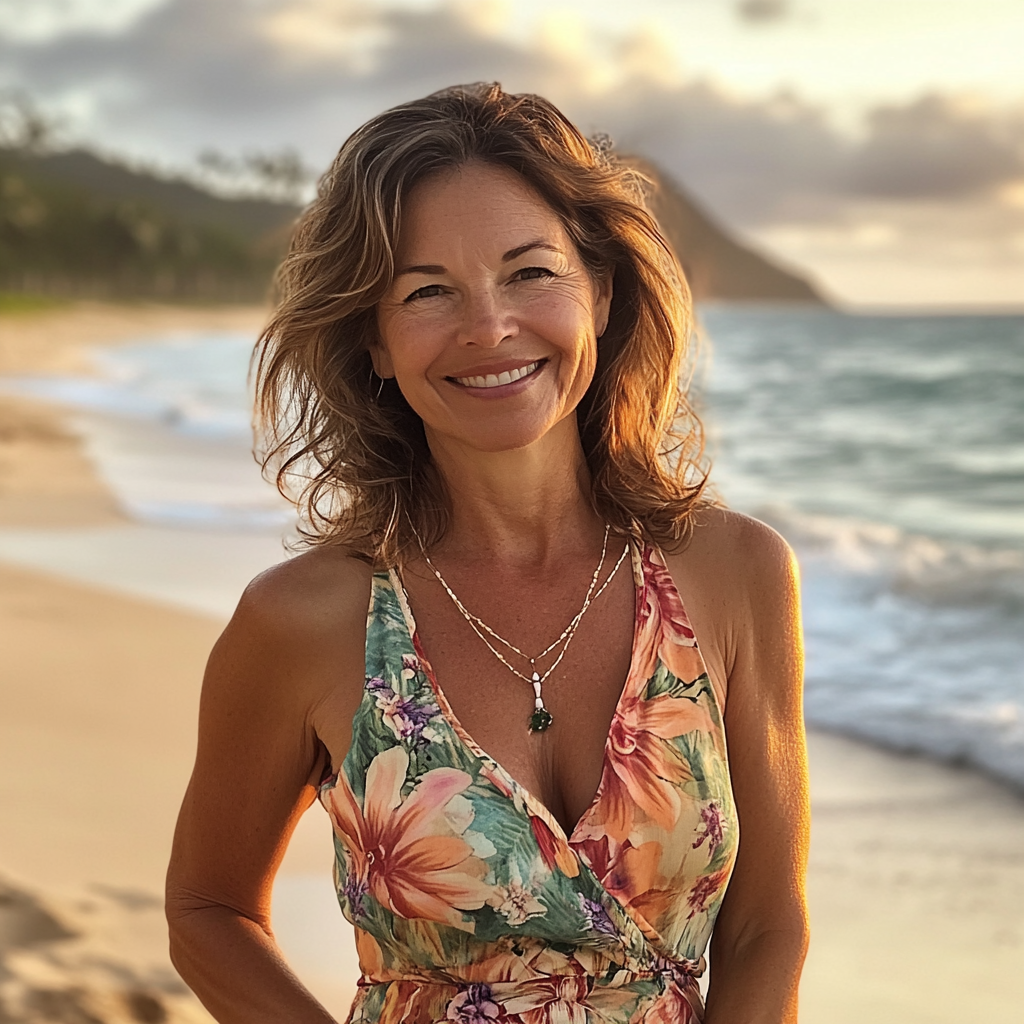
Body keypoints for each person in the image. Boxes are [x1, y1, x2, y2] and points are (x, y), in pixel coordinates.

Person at [165, 83, 809, 1024]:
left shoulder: (735, 572)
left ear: (600, 290)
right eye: (427, 291)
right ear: (375, 341)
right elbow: (207, 909)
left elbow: (768, 930)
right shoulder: (306, 622)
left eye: (530, 272)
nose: (489, 328)